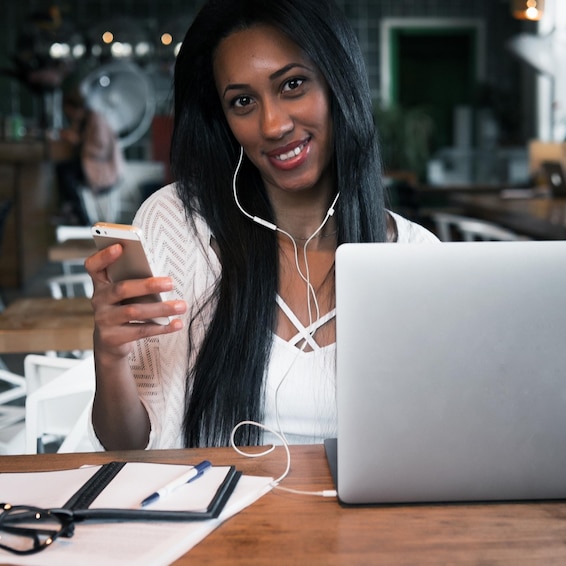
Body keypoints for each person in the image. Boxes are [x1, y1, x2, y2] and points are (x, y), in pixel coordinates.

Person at [84, 0, 439, 451]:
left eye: (293, 85)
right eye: (243, 101)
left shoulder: (415, 256)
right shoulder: (176, 226)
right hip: (213, 516)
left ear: (338, 84)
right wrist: (110, 355)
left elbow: (437, 445)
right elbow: (126, 445)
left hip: (367, 521)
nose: (272, 125)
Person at [55, 84, 124, 224]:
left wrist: (78, 141)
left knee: (65, 173)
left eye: (70, 111)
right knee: (64, 171)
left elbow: (101, 147)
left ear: (77, 108)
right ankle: (75, 211)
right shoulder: (83, 120)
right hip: (90, 166)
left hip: (102, 170)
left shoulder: (96, 119)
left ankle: (80, 216)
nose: (70, 115)